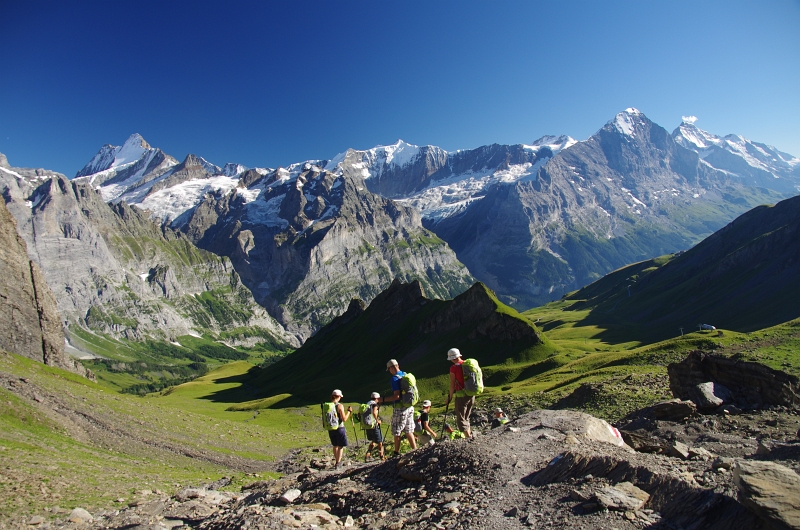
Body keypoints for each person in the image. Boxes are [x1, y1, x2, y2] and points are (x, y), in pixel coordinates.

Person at [377, 359, 417, 457]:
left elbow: (397, 396)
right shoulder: (405, 374)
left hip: (400, 408)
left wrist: (382, 400)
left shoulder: (394, 379)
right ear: (397, 365)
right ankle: (415, 450)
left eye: (389, 369)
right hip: (410, 406)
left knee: (396, 430)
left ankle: (396, 452)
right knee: (409, 430)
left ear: (391, 368)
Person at [445, 348, 474, 438]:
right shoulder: (468, 364)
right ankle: (470, 437)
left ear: (452, 358)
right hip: (471, 393)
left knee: (461, 417)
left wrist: (449, 397)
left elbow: (452, 384)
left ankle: (468, 438)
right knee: (467, 416)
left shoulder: (454, 368)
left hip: (462, 395)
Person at [327, 389, 352, 468]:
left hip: (331, 428)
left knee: (335, 445)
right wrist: (349, 412)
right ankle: (338, 462)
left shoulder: (328, 405)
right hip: (339, 428)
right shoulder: (339, 405)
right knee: (340, 446)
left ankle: (336, 461)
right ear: (339, 397)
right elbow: (344, 419)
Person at [364, 391, 384, 460]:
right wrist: (377, 420)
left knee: (373, 440)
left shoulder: (368, 403)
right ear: (377, 398)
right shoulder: (375, 405)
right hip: (374, 425)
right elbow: (374, 412)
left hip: (368, 425)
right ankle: (381, 456)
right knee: (380, 441)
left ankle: (368, 454)